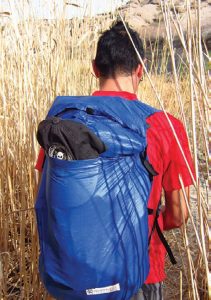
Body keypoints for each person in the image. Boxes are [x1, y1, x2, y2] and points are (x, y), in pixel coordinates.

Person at [35, 21, 195, 300]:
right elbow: (178, 215)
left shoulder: (64, 124)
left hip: (72, 274)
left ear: (95, 68)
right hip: (138, 273)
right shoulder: (165, 126)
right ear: (140, 69)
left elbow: (47, 197)